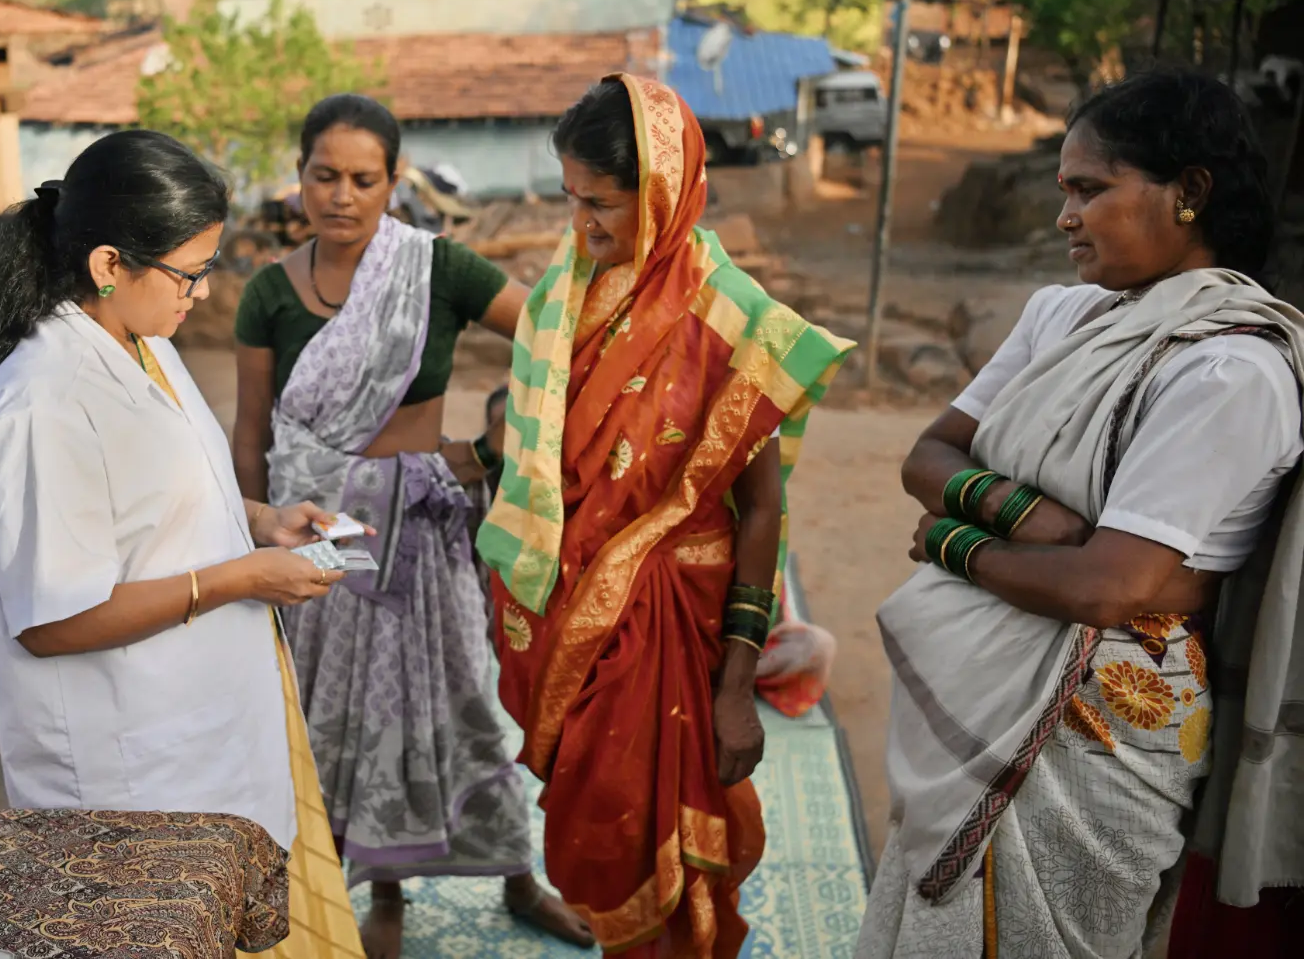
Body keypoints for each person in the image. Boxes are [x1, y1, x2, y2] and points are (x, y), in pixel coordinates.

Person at [856, 70, 1304, 958]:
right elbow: (928, 455)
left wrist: (951, 539)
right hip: (986, 685)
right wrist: (1040, 525)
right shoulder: (1061, 315)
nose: (1065, 217)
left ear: (1191, 193)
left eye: (1090, 190)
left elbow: (1106, 589)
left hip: (1104, 727)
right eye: (1066, 190)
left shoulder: (1231, 371)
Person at [0, 129, 364, 958]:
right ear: (110, 265)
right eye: (189, 272)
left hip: (205, 735)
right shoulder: (46, 405)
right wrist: (239, 577)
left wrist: (259, 519)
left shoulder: (147, 348)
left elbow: (158, 505)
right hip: (130, 772)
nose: (204, 294)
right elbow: (53, 622)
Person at [477, 74, 853, 957]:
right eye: (571, 202)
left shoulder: (738, 322)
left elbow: (761, 510)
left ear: (663, 194)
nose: (583, 228)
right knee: (594, 834)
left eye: (602, 206)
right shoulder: (560, 301)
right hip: (573, 618)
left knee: (673, 851)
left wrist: (735, 685)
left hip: (676, 628)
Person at [233, 95, 594, 958]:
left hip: (425, 537)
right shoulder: (267, 295)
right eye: (326, 175)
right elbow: (250, 431)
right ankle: (383, 892)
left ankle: (518, 876)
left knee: (463, 699)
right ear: (300, 177)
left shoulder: (437, 269)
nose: (343, 196)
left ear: (394, 183)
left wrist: (498, 439)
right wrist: (246, 541)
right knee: (345, 720)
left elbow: (554, 339)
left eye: (365, 178)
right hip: (315, 543)